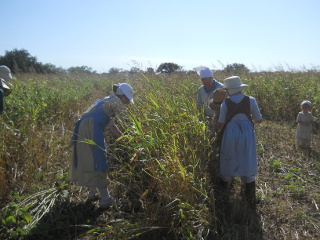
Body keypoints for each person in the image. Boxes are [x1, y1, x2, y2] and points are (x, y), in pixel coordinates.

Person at [70, 83, 134, 209]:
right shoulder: (117, 102)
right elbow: (124, 122)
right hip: (92, 127)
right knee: (99, 159)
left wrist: (122, 138)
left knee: (91, 158)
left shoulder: (107, 100)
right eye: (127, 98)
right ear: (123, 96)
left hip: (83, 126)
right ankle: (105, 199)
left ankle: (92, 194)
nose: (127, 101)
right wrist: (131, 138)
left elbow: (112, 126)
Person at [217, 76, 262, 208]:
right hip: (247, 133)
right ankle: (250, 199)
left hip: (230, 133)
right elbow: (259, 120)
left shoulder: (225, 103)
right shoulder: (251, 100)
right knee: (247, 158)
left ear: (229, 90)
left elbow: (220, 123)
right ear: (240, 88)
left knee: (228, 158)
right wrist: (249, 118)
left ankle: (223, 196)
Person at [194, 66, 224, 134]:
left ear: (212, 78)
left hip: (220, 120)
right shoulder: (201, 89)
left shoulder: (221, 88)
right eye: (205, 84)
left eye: (209, 82)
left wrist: (217, 121)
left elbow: (225, 107)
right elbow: (199, 105)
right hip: (207, 120)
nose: (207, 85)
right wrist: (202, 119)